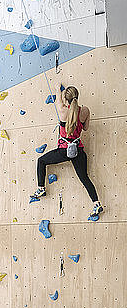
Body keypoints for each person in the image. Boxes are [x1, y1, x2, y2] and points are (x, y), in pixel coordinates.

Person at [31, 85, 103, 218]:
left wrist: (59, 88)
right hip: (78, 150)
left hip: (64, 151)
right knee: (84, 178)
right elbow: (86, 128)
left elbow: (58, 96)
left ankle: (41, 189)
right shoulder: (85, 111)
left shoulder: (63, 111)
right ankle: (96, 203)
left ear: (66, 99)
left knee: (41, 161)